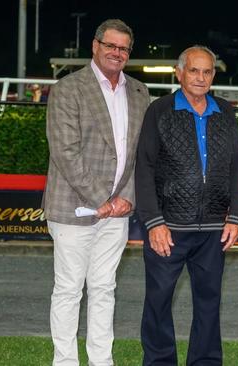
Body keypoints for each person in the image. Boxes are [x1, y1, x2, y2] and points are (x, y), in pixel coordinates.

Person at [42, 19, 150, 365]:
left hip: (118, 212)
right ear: (95, 46)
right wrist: (101, 201)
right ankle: (65, 361)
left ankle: (101, 360)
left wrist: (126, 198)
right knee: (69, 290)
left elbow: (142, 154)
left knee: (105, 289)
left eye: (123, 49)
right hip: (73, 209)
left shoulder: (139, 91)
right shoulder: (68, 88)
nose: (117, 53)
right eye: (111, 46)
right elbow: (65, 152)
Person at [135, 45, 238, 366]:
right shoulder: (160, 110)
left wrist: (235, 216)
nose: (200, 77)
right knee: (158, 301)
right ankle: (158, 362)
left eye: (207, 71)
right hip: (168, 229)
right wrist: (153, 222)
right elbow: (144, 168)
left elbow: (237, 167)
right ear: (179, 73)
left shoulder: (225, 111)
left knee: (209, 303)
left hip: (213, 230)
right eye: (194, 70)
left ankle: (206, 361)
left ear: (213, 75)